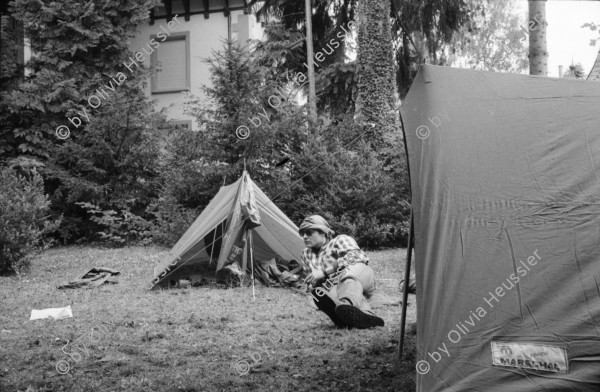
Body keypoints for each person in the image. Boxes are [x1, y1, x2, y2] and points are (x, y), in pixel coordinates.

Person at [299, 215, 384, 329]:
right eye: (302, 233)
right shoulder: (305, 254)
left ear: (323, 232)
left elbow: (357, 256)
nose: (304, 236)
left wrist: (324, 272)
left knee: (348, 276)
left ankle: (345, 306)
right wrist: (312, 285)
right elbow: (310, 283)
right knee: (328, 293)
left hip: (359, 276)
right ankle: (365, 316)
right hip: (335, 287)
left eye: (309, 232)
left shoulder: (339, 240)